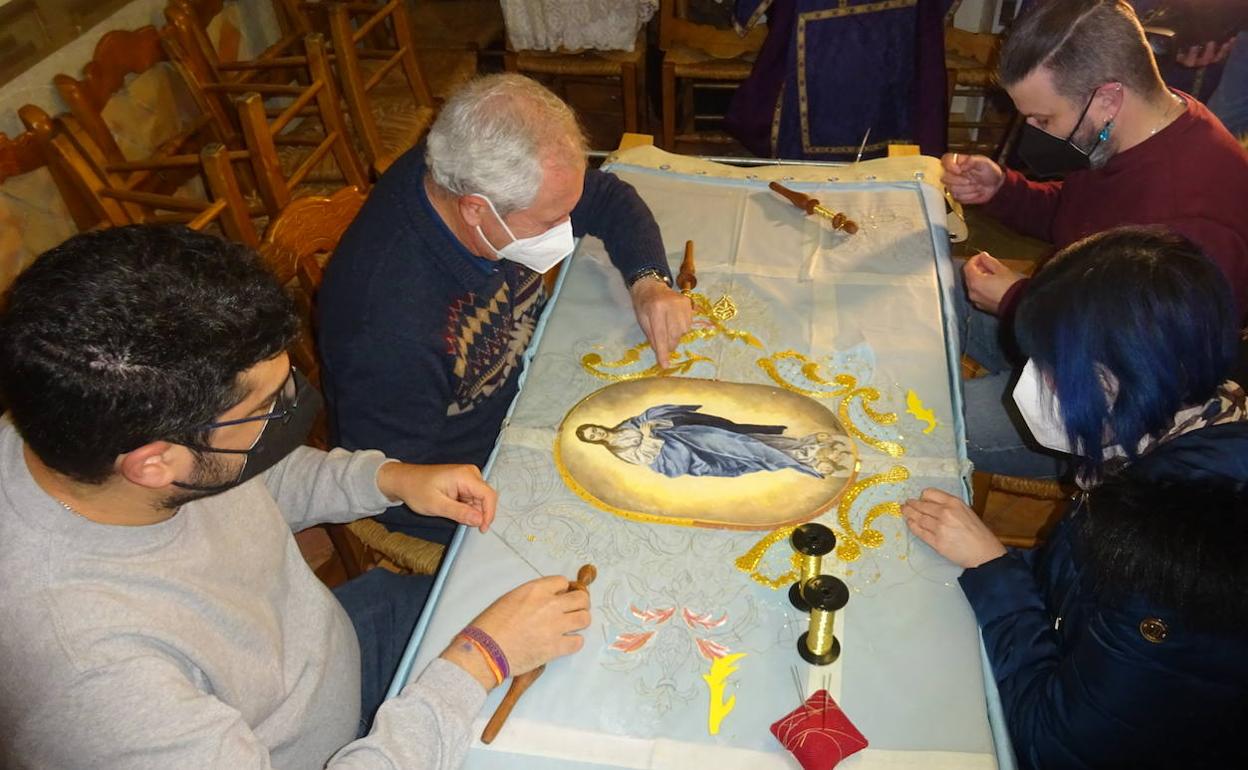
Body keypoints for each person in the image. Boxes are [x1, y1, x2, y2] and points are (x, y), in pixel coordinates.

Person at [0, 226, 590, 769]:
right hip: (326, 750)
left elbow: (243, 478)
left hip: (330, 645)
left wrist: (389, 480)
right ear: (154, 464)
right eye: (264, 409)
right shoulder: (99, 686)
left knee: (585, 620)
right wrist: (480, 659)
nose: (290, 410)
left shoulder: (77, 435)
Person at [903, 226, 1248, 769]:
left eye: (1053, 371)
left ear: (1124, 381)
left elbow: (1050, 747)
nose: (1030, 387)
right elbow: (1079, 586)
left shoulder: (1176, 557)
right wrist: (994, 565)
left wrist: (992, 567)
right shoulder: (1175, 440)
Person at [318, 73, 693, 545]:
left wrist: (649, 283)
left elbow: (608, 197)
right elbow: (400, 484)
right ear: (476, 209)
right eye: (552, 220)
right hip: (478, 470)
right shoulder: (389, 327)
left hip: (532, 385)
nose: (565, 227)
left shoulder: (467, 169)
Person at [942, 0, 1248, 478]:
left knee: (930, 422)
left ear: (1108, 97)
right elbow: (1079, 218)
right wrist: (1004, 190)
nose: (1037, 131)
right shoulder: (1140, 130)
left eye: (1045, 118)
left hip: (1120, 405)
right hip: (1063, 335)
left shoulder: (1193, 217)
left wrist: (1018, 301)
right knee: (941, 279)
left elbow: (1139, 360)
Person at [575, 404, 851, 478]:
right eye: (592, 437)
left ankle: (801, 451)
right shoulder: (618, 450)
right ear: (595, 443)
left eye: (594, 430)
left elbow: (644, 420)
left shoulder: (623, 426)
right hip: (675, 452)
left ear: (597, 427)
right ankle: (799, 460)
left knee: (740, 439)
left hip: (678, 436)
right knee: (735, 459)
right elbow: (642, 457)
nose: (597, 434)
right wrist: (648, 436)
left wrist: (652, 422)